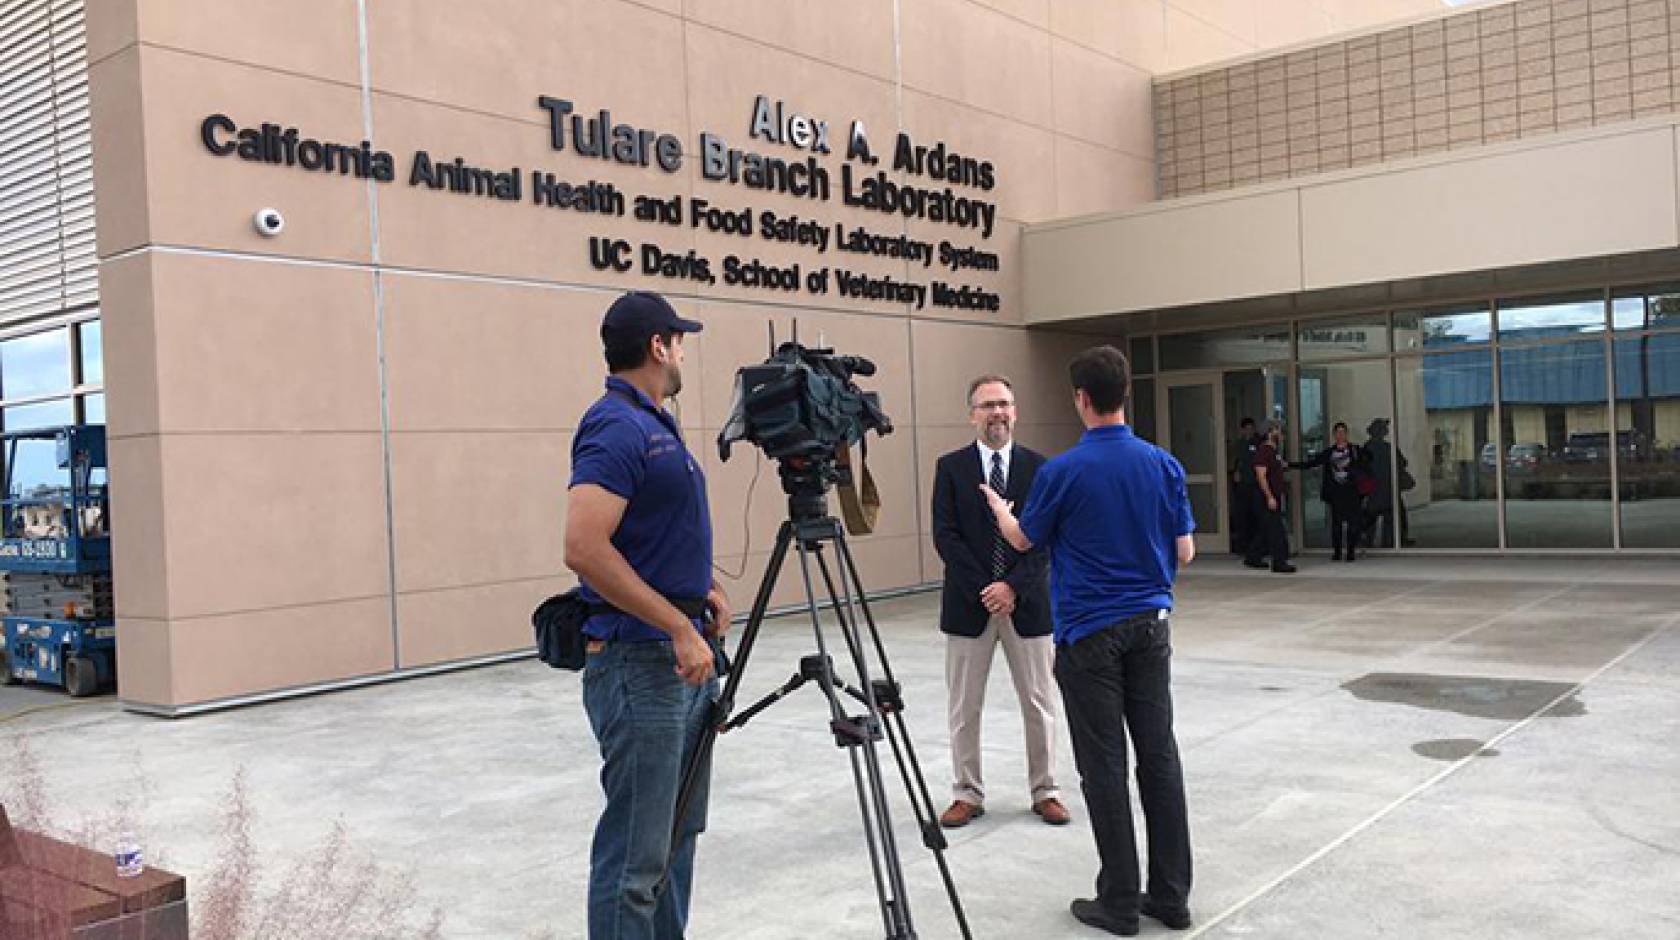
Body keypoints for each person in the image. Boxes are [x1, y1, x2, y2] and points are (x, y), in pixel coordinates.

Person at [979, 345, 1196, 936]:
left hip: (1090, 637)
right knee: (1160, 759)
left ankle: (1120, 902)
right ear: (1125, 393)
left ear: (1080, 397)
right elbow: (1185, 550)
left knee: (1104, 768)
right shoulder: (1163, 465)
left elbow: (1024, 541)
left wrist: (1001, 510)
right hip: (1152, 628)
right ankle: (1172, 897)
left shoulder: (1063, 471)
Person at [564, 290, 731, 940]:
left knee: (677, 837)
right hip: (642, 668)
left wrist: (699, 590)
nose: (683, 350)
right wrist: (676, 625)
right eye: (679, 339)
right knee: (636, 858)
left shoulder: (654, 421)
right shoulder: (615, 424)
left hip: (680, 662)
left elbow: (646, 537)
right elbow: (583, 547)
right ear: (658, 346)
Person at [930, 374, 1066, 829]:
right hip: (969, 606)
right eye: (988, 405)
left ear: (1016, 410)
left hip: (1027, 605)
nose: (997, 413)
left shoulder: (1040, 468)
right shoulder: (950, 468)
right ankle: (966, 793)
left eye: (1004, 404)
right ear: (972, 414)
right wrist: (986, 590)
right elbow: (945, 537)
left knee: (1040, 702)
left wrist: (1012, 587)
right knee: (964, 706)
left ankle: (1045, 789)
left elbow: (1046, 540)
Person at [1298, 421, 1369, 562]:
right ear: (1334, 435)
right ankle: (1337, 552)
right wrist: (1290, 464)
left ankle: (1350, 552)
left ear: (1346, 434)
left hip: (1352, 492)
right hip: (1336, 493)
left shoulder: (1355, 450)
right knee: (1336, 524)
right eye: (1337, 433)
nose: (1340, 435)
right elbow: (1311, 463)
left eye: (1343, 432)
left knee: (1353, 524)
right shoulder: (1329, 453)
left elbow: (1367, 462)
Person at [1243, 420, 1297, 574]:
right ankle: (1279, 562)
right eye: (1277, 430)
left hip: (1274, 495)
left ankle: (1253, 556)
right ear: (1269, 432)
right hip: (1266, 496)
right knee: (1275, 530)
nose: (1280, 434)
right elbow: (1261, 475)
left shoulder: (1274, 452)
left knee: (1265, 528)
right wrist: (1269, 496)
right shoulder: (1264, 451)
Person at [1362, 418, 1414, 548]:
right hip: (1388, 490)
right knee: (1395, 517)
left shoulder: (1365, 449)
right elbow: (1402, 463)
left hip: (1372, 491)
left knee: (1370, 519)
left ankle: (1368, 541)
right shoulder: (1388, 448)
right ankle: (1393, 542)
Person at [1228, 417, 1259, 556]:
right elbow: (1234, 461)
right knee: (1242, 516)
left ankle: (1255, 547)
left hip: (1255, 483)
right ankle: (1242, 546)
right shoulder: (1238, 445)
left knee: (1255, 516)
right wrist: (1235, 472)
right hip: (1242, 486)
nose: (1249, 431)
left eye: (1251, 428)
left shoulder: (1258, 443)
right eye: (1246, 429)